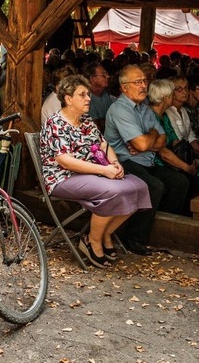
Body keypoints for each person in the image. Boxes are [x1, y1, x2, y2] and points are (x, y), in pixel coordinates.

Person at [41, 75, 152, 268]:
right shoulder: (56, 123)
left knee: (139, 186)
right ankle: (91, 241)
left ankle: (106, 233)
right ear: (68, 99)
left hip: (93, 173)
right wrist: (104, 170)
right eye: (82, 95)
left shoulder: (85, 120)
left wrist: (115, 163)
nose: (88, 98)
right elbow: (65, 161)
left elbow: (102, 144)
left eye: (88, 94)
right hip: (64, 178)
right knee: (113, 191)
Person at [105, 65, 190, 254]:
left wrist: (148, 138)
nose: (144, 86)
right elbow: (143, 144)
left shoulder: (143, 108)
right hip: (122, 163)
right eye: (138, 82)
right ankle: (134, 238)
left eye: (144, 81)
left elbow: (162, 139)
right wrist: (149, 139)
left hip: (145, 162)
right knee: (154, 186)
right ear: (124, 88)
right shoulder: (120, 109)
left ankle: (161, 229)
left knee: (180, 182)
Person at [149, 79, 198, 179]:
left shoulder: (164, 116)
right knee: (182, 180)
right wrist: (186, 167)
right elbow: (162, 152)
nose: (174, 96)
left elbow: (175, 141)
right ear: (165, 97)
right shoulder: (150, 117)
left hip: (169, 160)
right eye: (172, 93)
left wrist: (188, 159)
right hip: (155, 163)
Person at [84, 63, 113, 131]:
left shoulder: (105, 95)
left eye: (107, 74)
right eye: (104, 75)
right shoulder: (87, 98)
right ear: (92, 79)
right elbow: (97, 128)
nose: (108, 77)